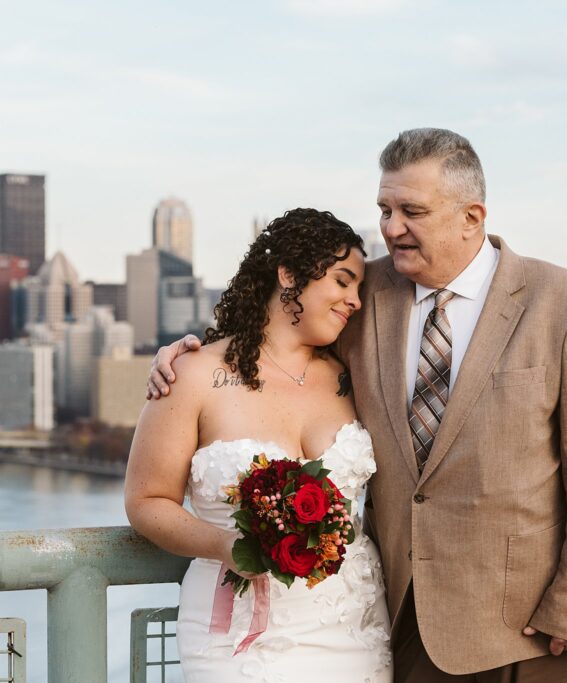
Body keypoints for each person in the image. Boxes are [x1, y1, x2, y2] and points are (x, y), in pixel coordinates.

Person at [149, 128, 567, 682]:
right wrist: (187, 351)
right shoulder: (363, 294)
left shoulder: (563, 303)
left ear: (472, 216)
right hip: (400, 623)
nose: (391, 227)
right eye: (385, 208)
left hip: (529, 629)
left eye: (411, 211)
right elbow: (279, 337)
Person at [124, 208, 393, 681]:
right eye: (342, 281)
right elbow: (147, 501)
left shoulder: (354, 376)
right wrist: (228, 545)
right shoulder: (192, 374)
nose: (354, 301)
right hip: (237, 634)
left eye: (359, 289)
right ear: (288, 274)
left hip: (354, 629)